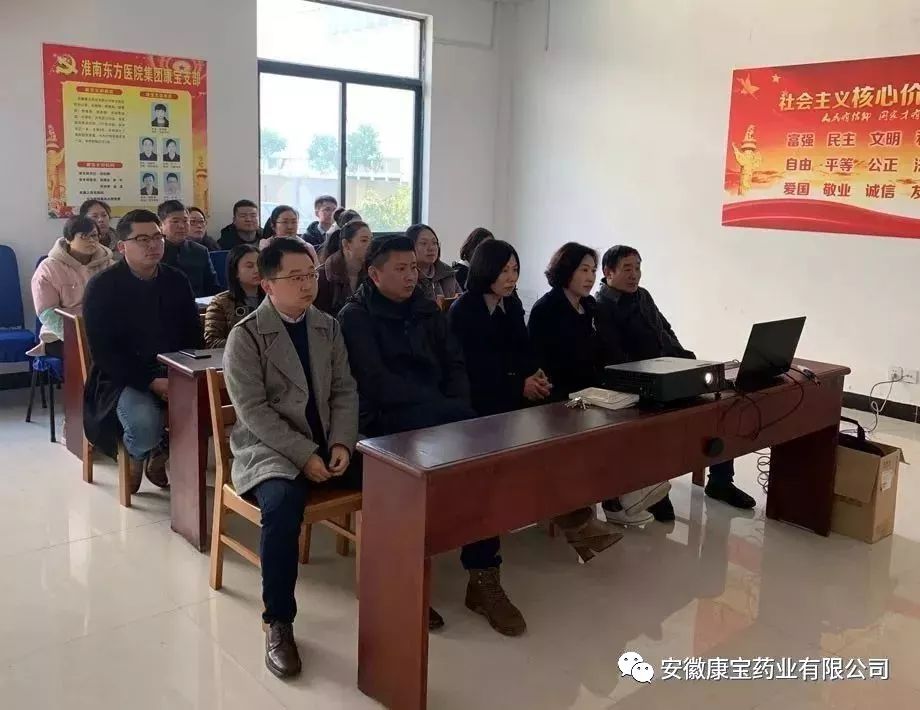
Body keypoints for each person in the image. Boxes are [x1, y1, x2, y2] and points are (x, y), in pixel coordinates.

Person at [339, 236, 526, 637]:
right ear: (375, 274)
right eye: (401, 269)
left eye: (414, 268)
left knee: (482, 464)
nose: (412, 275)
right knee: (407, 486)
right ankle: (403, 585)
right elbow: (376, 382)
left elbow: (454, 363)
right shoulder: (355, 317)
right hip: (385, 426)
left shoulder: (426, 308)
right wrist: (445, 411)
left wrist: (457, 407)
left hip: (439, 415)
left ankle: (483, 575)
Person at [223, 237, 360, 679]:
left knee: (396, 476)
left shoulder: (327, 326)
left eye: (311, 274)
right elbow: (254, 413)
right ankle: (278, 621)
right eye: (296, 277)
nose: (307, 285)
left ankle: (401, 591)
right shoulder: (246, 336)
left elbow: (344, 390)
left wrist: (341, 443)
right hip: (271, 448)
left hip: (327, 440)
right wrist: (304, 455)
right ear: (267, 284)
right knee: (282, 506)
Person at [449, 240, 622, 558]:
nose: (511, 278)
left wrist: (535, 374)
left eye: (515, 270)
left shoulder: (511, 305)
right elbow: (475, 369)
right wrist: (520, 385)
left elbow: (524, 351)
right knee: (540, 439)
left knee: (558, 430)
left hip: (512, 396)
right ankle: (574, 520)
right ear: (486, 270)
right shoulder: (465, 311)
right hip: (478, 401)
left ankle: (575, 517)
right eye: (504, 271)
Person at [595, 245, 756, 517]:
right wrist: (659, 373)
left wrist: (685, 360)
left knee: (721, 406)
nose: (635, 275)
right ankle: (656, 487)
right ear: (608, 272)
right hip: (640, 384)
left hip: (670, 372)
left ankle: (720, 481)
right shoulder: (602, 306)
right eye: (627, 269)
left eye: (638, 268)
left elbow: (665, 330)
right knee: (666, 424)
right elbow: (616, 357)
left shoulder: (643, 295)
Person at [528, 242, 671, 527]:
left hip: (591, 390)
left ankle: (623, 497)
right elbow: (542, 364)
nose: (590, 277)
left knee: (633, 414)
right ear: (566, 270)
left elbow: (606, 353)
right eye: (584, 270)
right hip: (561, 394)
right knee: (604, 427)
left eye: (593, 271)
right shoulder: (547, 309)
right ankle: (621, 498)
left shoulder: (589, 307)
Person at [83, 209, 203, 493]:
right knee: (145, 424)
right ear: (122, 246)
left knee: (209, 411)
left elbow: (193, 336)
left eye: (157, 237)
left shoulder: (176, 280)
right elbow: (104, 353)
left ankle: (160, 451)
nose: (153, 245)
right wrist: (150, 381)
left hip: (174, 370)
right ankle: (138, 453)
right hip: (121, 377)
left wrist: (179, 375)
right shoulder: (102, 287)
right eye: (142, 239)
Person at [29, 216, 113, 358]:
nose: (91, 241)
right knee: (92, 355)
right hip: (60, 335)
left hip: (104, 332)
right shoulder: (49, 268)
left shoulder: (109, 265)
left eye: (94, 236)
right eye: (84, 236)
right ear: (68, 239)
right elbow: (47, 314)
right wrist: (80, 337)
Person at [204, 244, 263, 348]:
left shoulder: (274, 297)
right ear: (235, 271)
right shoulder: (220, 302)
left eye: (259, 264)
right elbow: (212, 342)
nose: (257, 270)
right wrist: (248, 345)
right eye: (249, 266)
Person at [158, 200, 220, 298]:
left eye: (185, 221)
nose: (181, 226)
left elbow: (212, 287)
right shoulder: (154, 251)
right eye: (175, 221)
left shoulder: (200, 251)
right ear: (161, 225)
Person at [314, 220, 371, 317]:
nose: (370, 245)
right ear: (346, 244)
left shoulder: (372, 273)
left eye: (371, 240)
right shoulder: (323, 276)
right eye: (364, 240)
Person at [406, 224, 461, 301]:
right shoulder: (406, 278)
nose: (431, 248)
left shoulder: (448, 273)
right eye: (424, 243)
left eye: (434, 243)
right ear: (410, 247)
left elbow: (461, 303)